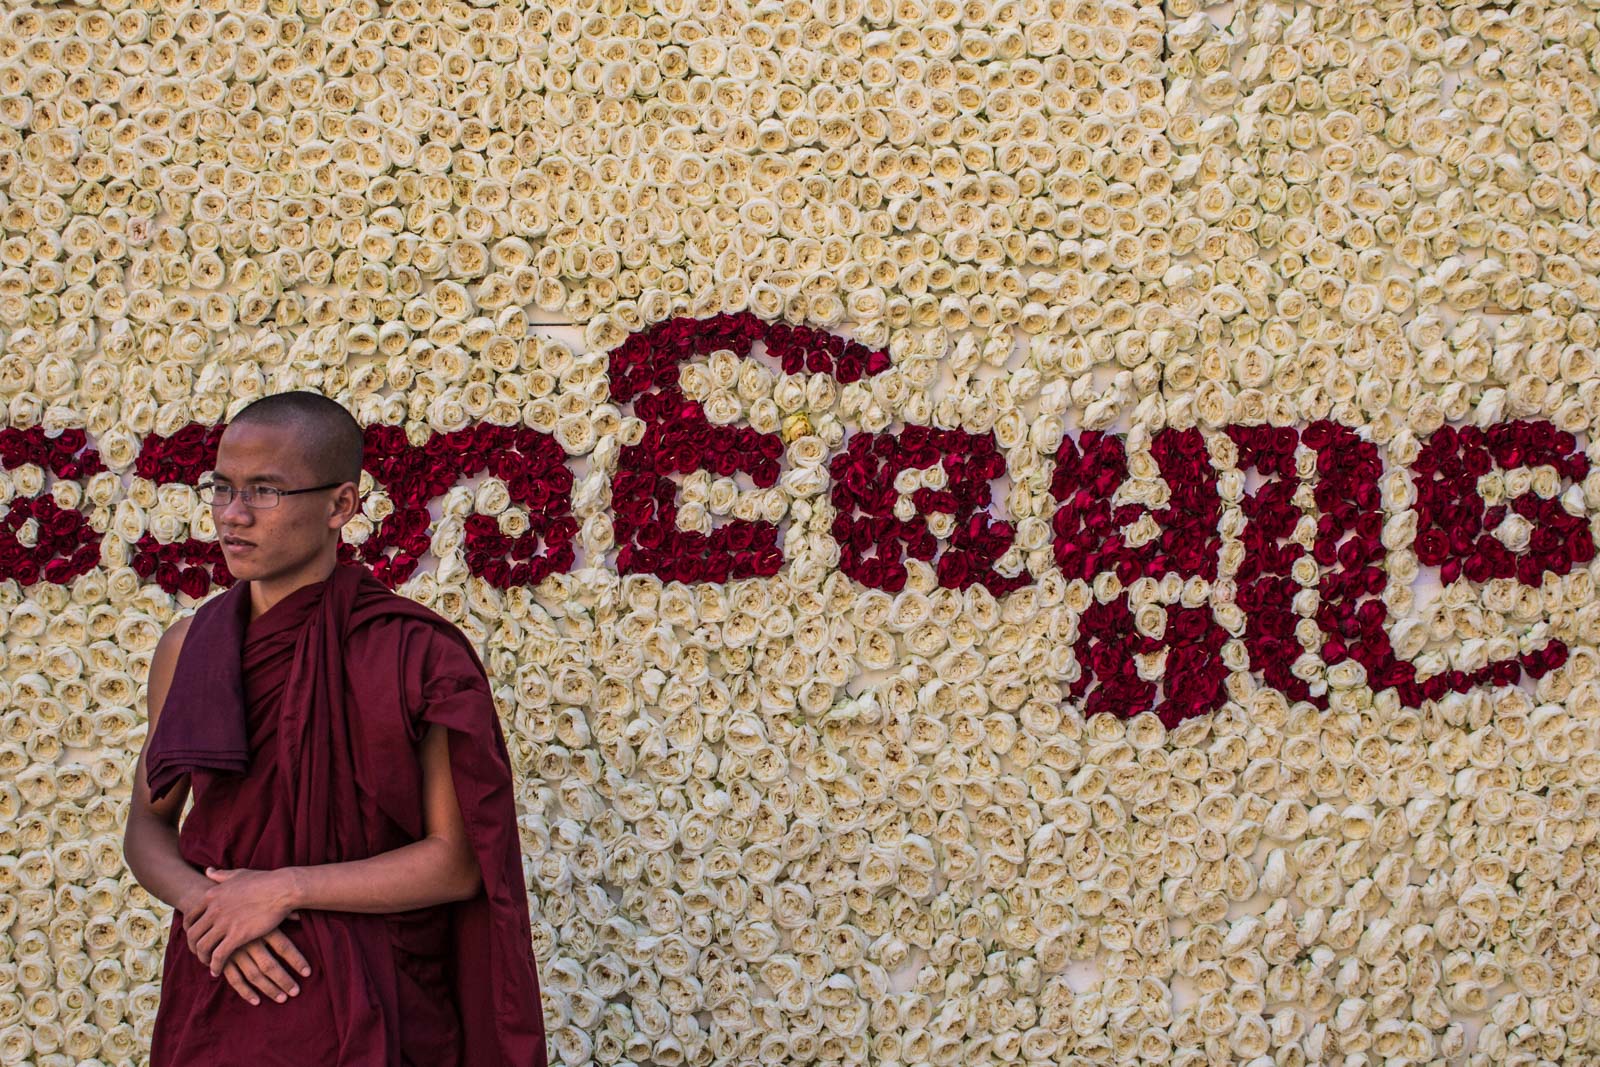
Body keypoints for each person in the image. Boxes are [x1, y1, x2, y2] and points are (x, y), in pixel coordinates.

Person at [122, 391, 547, 1066]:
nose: (233, 515)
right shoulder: (188, 647)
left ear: (341, 506)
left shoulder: (413, 651)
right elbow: (148, 826)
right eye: (223, 489)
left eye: (265, 491)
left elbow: (457, 861)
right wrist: (214, 906)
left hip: (378, 1003)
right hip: (224, 989)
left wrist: (281, 889)